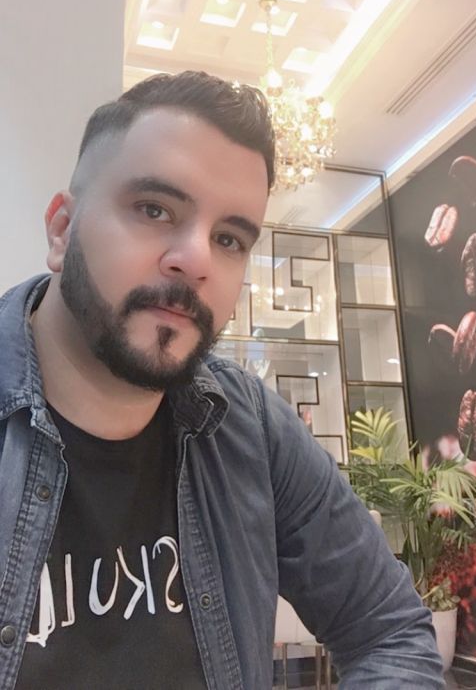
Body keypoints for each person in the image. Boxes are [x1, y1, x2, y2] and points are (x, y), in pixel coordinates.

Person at [0, 70, 443, 689]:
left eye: (230, 238)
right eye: (154, 209)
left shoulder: (251, 426)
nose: (197, 260)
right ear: (61, 229)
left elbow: (390, 630)